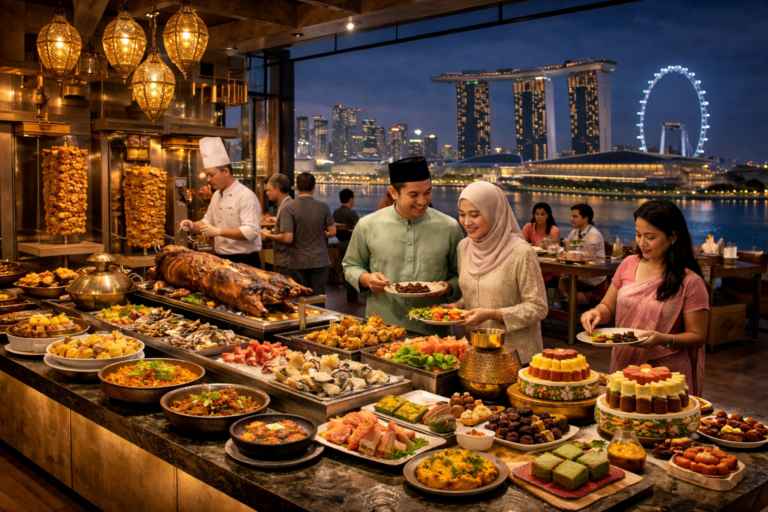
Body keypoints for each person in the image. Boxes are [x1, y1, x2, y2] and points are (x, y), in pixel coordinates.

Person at [580, 200, 710, 395]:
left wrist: (664, 339)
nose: (642, 243)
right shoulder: (628, 264)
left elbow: (697, 336)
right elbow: (608, 306)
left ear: (673, 236)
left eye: (650, 237)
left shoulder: (690, 282)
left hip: (666, 374)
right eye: (638, 235)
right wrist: (595, 312)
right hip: (626, 365)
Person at [343, 157, 462, 336]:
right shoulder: (368, 225)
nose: (422, 201)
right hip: (381, 328)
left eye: (428, 192)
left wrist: (448, 287)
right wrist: (366, 279)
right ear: (393, 192)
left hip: (433, 329)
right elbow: (350, 265)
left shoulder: (449, 227)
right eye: (413, 195)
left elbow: (461, 273)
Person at [442, 182, 548, 364]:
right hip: (475, 353)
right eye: (462, 214)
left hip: (514, 355)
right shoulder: (464, 247)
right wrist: (457, 307)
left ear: (495, 213)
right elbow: (473, 294)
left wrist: (493, 314)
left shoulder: (521, 252)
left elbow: (538, 307)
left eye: (475, 215)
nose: (467, 222)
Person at [180, 137, 262, 268]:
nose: (208, 179)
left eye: (211, 175)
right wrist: (192, 226)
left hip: (245, 261)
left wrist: (218, 232)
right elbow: (208, 221)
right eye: (207, 175)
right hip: (222, 260)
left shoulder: (246, 196)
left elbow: (251, 232)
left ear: (226, 171)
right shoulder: (217, 195)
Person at [273, 172, 336, 304]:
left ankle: (301, 324)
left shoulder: (289, 207)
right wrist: (323, 233)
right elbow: (332, 231)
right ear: (314, 187)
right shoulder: (323, 206)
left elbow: (287, 238)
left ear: (296, 187)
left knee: (298, 298)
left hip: (297, 260)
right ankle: (319, 323)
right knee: (318, 298)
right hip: (319, 260)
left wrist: (269, 236)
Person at [558, 203, 606, 303]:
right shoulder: (574, 233)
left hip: (592, 276)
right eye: (572, 216)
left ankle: (573, 304)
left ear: (585, 218)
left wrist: (569, 253)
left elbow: (588, 255)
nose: (572, 219)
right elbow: (566, 250)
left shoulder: (594, 235)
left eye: (575, 217)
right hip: (579, 273)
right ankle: (571, 304)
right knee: (561, 280)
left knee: (563, 282)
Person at [522, 202, 561, 289]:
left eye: (542, 214)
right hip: (532, 261)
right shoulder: (528, 227)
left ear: (548, 215)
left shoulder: (553, 229)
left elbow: (555, 248)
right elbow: (522, 244)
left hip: (549, 264)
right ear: (534, 215)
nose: (539, 216)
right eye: (537, 214)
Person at [259, 174, 292, 275]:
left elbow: (287, 238)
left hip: (286, 260)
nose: (267, 193)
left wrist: (269, 235)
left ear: (277, 189)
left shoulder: (286, 206)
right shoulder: (286, 204)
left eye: (269, 190)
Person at [333, 189, 360, 302]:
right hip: (350, 244)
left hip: (340, 243)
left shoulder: (336, 212)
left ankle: (349, 293)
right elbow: (360, 226)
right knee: (353, 269)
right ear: (350, 199)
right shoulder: (351, 213)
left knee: (344, 269)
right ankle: (352, 295)